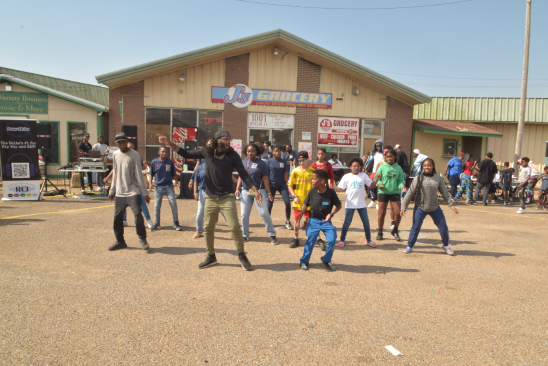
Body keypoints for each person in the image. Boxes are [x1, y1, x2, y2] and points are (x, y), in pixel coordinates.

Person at [157, 130, 259, 270]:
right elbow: (186, 154)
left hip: (227, 196)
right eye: (226, 139)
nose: (229, 141)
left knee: (235, 227)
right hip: (210, 197)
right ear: (218, 140)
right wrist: (169, 143)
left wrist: (254, 188)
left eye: (230, 139)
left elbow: (243, 173)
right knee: (208, 228)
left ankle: (242, 255)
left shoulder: (233, 155)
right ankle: (211, 256)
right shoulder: (207, 152)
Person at [401, 158, 459, 255]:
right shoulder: (418, 178)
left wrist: (451, 205)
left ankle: (446, 246)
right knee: (415, 227)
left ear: (433, 166)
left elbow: (445, 193)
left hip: (434, 207)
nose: (427, 167)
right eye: (425, 166)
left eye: (429, 165)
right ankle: (409, 246)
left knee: (443, 226)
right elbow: (410, 193)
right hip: (420, 207)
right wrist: (404, 207)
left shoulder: (438, 178)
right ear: (422, 167)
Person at [108, 132, 150, 252]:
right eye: (119, 142)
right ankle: (120, 241)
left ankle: (142, 239)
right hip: (120, 192)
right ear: (117, 144)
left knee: (137, 215)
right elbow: (115, 173)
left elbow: (139, 174)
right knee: (117, 217)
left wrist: (145, 193)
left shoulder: (134, 155)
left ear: (127, 142)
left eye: (123, 142)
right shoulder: (115, 155)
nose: (122, 144)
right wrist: (112, 190)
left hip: (133, 191)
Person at [296, 169, 342, 271]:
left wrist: (331, 214)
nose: (311, 181)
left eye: (313, 179)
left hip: (326, 222)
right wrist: (298, 220)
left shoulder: (331, 193)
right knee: (310, 242)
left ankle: (326, 259)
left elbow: (339, 206)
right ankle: (304, 261)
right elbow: (304, 206)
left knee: (332, 239)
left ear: (322, 181)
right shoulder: (312, 192)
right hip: (313, 221)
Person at [235, 144, 278, 244]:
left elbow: (265, 179)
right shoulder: (243, 162)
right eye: (249, 151)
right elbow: (241, 177)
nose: (250, 153)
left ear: (257, 152)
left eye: (253, 151)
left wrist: (269, 192)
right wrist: (237, 189)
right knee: (244, 215)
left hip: (260, 190)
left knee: (264, 213)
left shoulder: (262, 163)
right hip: (246, 191)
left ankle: (272, 234)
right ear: (246, 151)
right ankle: (245, 235)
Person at [335, 157, 375, 248]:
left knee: (366, 222)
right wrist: (334, 188)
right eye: (354, 166)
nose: (356, 168)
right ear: (350, 166)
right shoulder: (346, 176)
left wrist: (376, 180)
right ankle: (342, 239)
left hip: (361, 204)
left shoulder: (363, 175)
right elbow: (341, 188)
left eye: (358, 166)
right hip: (350, 204)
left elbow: (371, 184)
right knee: (347, 222)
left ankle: (368, 240)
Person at [370, 149, 406, 241]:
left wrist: (402, 186)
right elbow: (376, 179)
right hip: (383, 192)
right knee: (382, 213)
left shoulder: (398, 168)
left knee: (398, 213)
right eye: (387, 157)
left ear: (395, 157)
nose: (389, 158)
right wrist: (379, 184)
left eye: (391, 156)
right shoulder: (382, 167)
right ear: (385, 157)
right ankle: (380, 232)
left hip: (394, 192)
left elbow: (400, 180)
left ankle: (395, 230)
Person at [150, 147, 182, 231]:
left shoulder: (170, 162)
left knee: (173, 204)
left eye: (166, 152)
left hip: (169, 186)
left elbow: (174, 174)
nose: (164, 153)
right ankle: (157, 224)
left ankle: (176, 223)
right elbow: (151, 174)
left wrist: (177, 183)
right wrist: (150, 184)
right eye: (163, 151)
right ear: (159, 152)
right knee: (157, 206)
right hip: (158, 187)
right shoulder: (154, 162)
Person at [287, 151, 315, 249]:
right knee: (296, 221)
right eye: (300, 160)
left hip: (310, 202)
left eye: (303, 160)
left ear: (308, 159)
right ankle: (296, 238)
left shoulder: (312, 171)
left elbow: (316, 186)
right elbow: (289, 185)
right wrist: (294, 196)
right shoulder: (295, 171)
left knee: (313, 221)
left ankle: (317, 239)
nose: (301, 162)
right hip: (298, 201)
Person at [192, 161, 226, 238]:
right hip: (203, 192)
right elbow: (196, 181)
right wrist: (195, 192)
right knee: (200, 211)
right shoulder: (200, 167)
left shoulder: (218, 166)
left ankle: (235, 230)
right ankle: (198, 230)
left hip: (216, 193)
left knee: (224, 211)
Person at [266, 145, 293, 230]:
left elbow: (285, 174)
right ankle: (268, 222)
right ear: (273, 152)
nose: (278, 153)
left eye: (279, 151)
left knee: (288, 202)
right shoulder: (268, 162)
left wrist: (288, 186)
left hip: (282, 184)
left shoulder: (283, 162)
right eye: (276, 151)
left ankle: (288, 221)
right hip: (271, 184)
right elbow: (266, 176)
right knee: (269, 204)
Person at [364, 140, 384, 208]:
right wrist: (366, 170)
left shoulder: (384, 154)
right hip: (373, 172)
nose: (378, 147)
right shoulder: (373, 154)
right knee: (371, 186)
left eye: (380, 146)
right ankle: (373, 200)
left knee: (379, 187)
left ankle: (378, 203)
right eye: (377, 146)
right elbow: (370, 162)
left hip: (382, 172)